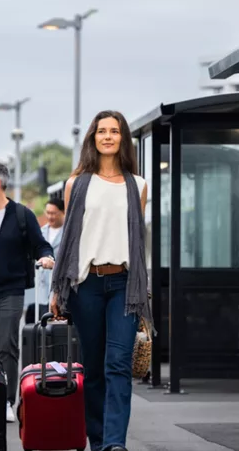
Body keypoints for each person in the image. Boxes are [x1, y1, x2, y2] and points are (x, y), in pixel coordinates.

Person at [49, 110, 154, 451]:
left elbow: (138, 242)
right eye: (101, 131)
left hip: (124, 284)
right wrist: (57, 288)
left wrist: (144, 290)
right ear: (93, 138)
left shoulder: (137, 185)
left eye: (114, 131)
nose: (108, 136)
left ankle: (114, 443)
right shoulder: (76, 184)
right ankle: (97, 441)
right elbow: (68, 242)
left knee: (119, 365)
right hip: (87, 286)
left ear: (123, 138)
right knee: (93, 369)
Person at [0, 161, 54, 423]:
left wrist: (47, 257)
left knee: (7, 346)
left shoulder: (21, 215)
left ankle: (5, 400)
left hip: (10, 292)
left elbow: (41, 245)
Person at [26, 198, 64, 323]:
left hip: (60, 287)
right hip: (42, 290)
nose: (50, 216)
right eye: (48, 212)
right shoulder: (41, 232)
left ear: (62, 212)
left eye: (54, 213)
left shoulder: (67, 233)